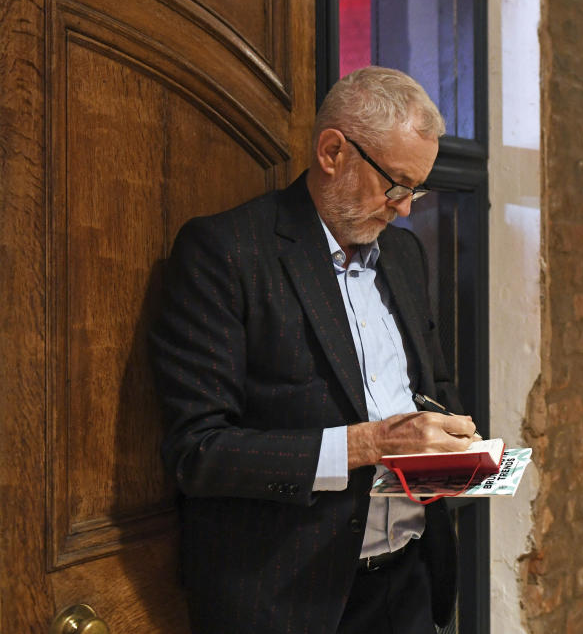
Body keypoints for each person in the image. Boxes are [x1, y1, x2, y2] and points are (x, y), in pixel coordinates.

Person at [150, 66, 477, 634]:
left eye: (417, 189)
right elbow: (198, 452)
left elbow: (433, 388)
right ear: (332, 152)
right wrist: (372, 443)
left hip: (410, 583)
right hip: (290, 599)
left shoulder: (403, 255)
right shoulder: (227, 253)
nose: (406, 209)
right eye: (396, 185)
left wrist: (453, 451)